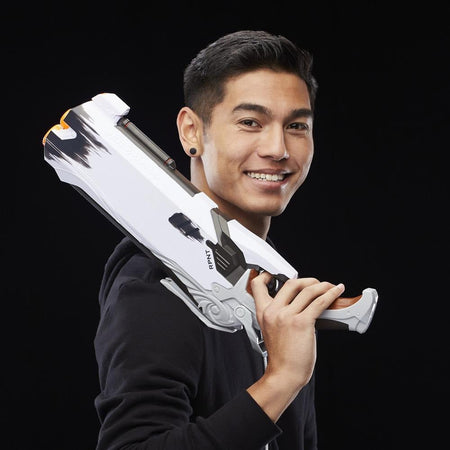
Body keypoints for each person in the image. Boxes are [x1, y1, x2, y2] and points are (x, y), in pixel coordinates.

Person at [94, 30, 346, 450]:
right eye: (250, 123)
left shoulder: (271, 282)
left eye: (296, 126)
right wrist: (281, 380)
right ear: (192, 132)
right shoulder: (155, 284)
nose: (278, 148)